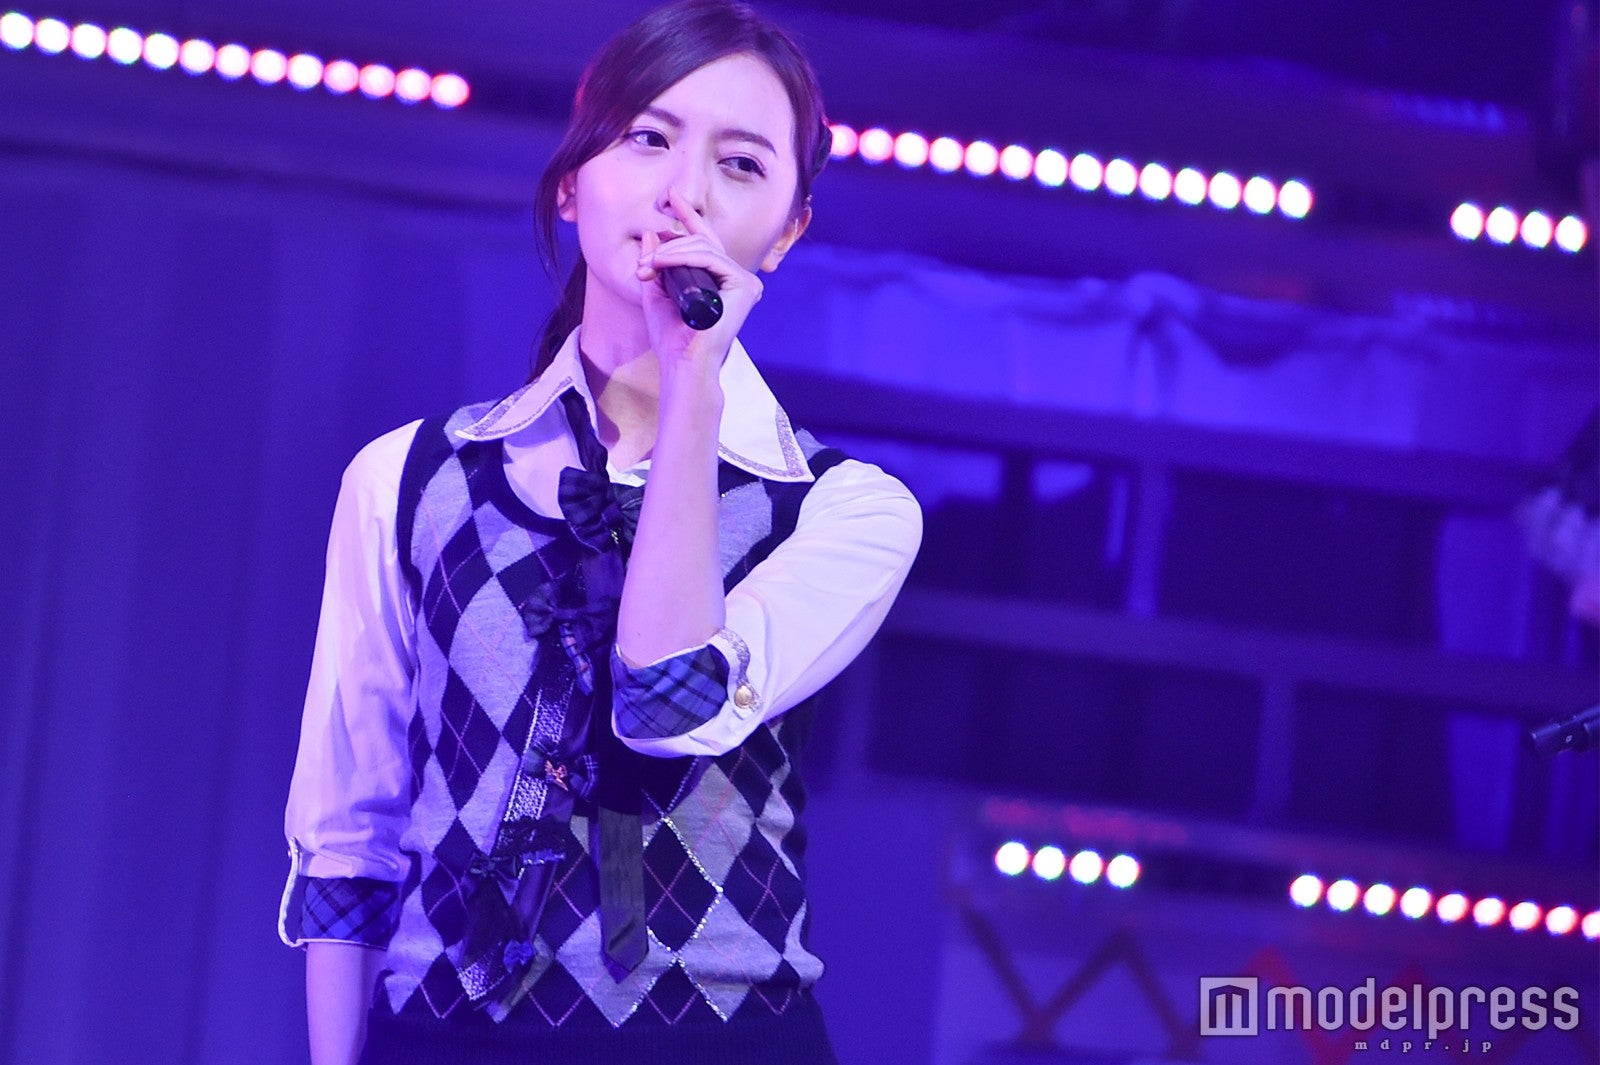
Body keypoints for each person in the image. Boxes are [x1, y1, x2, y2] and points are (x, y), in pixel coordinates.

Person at [277, 2, 923, 1062]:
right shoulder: (409, 479)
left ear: (787, 231)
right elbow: (350, 836)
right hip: (448, 1030)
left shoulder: (841, 508)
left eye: (741, 165)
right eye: (649, 138)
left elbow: (667, 702)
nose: (685, 193)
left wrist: (693, 379)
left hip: (717, 1036)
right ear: (573, 182)